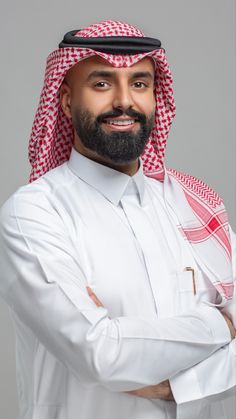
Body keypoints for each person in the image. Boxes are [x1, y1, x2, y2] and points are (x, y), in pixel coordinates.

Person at [0, 20, 235, 419]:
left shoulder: (193, 204)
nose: (125, 101)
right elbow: (100, 353)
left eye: (140, 84)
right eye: (102, 83)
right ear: (65, 100)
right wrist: (221, 325)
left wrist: (179, 388)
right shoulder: (35, 213)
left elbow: (109, 350)